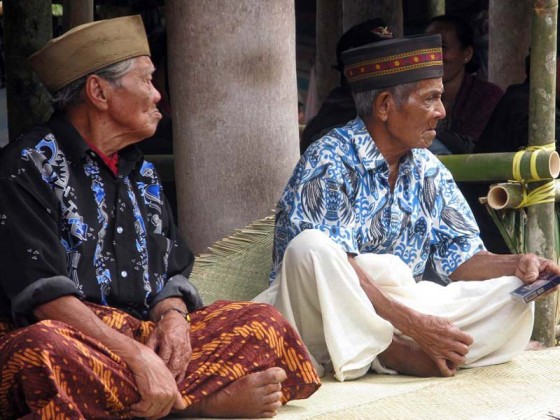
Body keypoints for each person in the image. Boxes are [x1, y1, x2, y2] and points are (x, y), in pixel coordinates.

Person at [0, 15, 320, 419]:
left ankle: (153, 402)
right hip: (70, 337)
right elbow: (46, 300)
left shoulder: (141, 172)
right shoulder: (26, 167)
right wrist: (136, 357)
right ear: (98, 92)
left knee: (263, 322)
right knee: (46, 353)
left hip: (140, 336)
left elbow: (170, 273)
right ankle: (197, 407)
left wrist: (173, 322)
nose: (158, 96)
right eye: (147, 81)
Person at [254, 34, 560, 383]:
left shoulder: (428, 168)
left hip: (400, 308)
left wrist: (518, 264)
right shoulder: (328, 159)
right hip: (321, 315)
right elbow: (324, 271)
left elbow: (462, 258)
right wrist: (415, 325)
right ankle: (394, 352)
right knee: (311, 248)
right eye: (431, 99)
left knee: (511, 296)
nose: (442, 113)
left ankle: (387, 348)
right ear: (385, 106)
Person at [299, 18, 393, 154]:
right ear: (350, 72)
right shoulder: (334, 126)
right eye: (383, 65)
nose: (395, 72)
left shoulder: (388, 112)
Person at [425, 15, 503, 154]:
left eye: (442, 47)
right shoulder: (412, 93)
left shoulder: (488, 96)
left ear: (467, 54)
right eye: (428, 47)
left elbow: (473, 147)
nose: (433, 56)